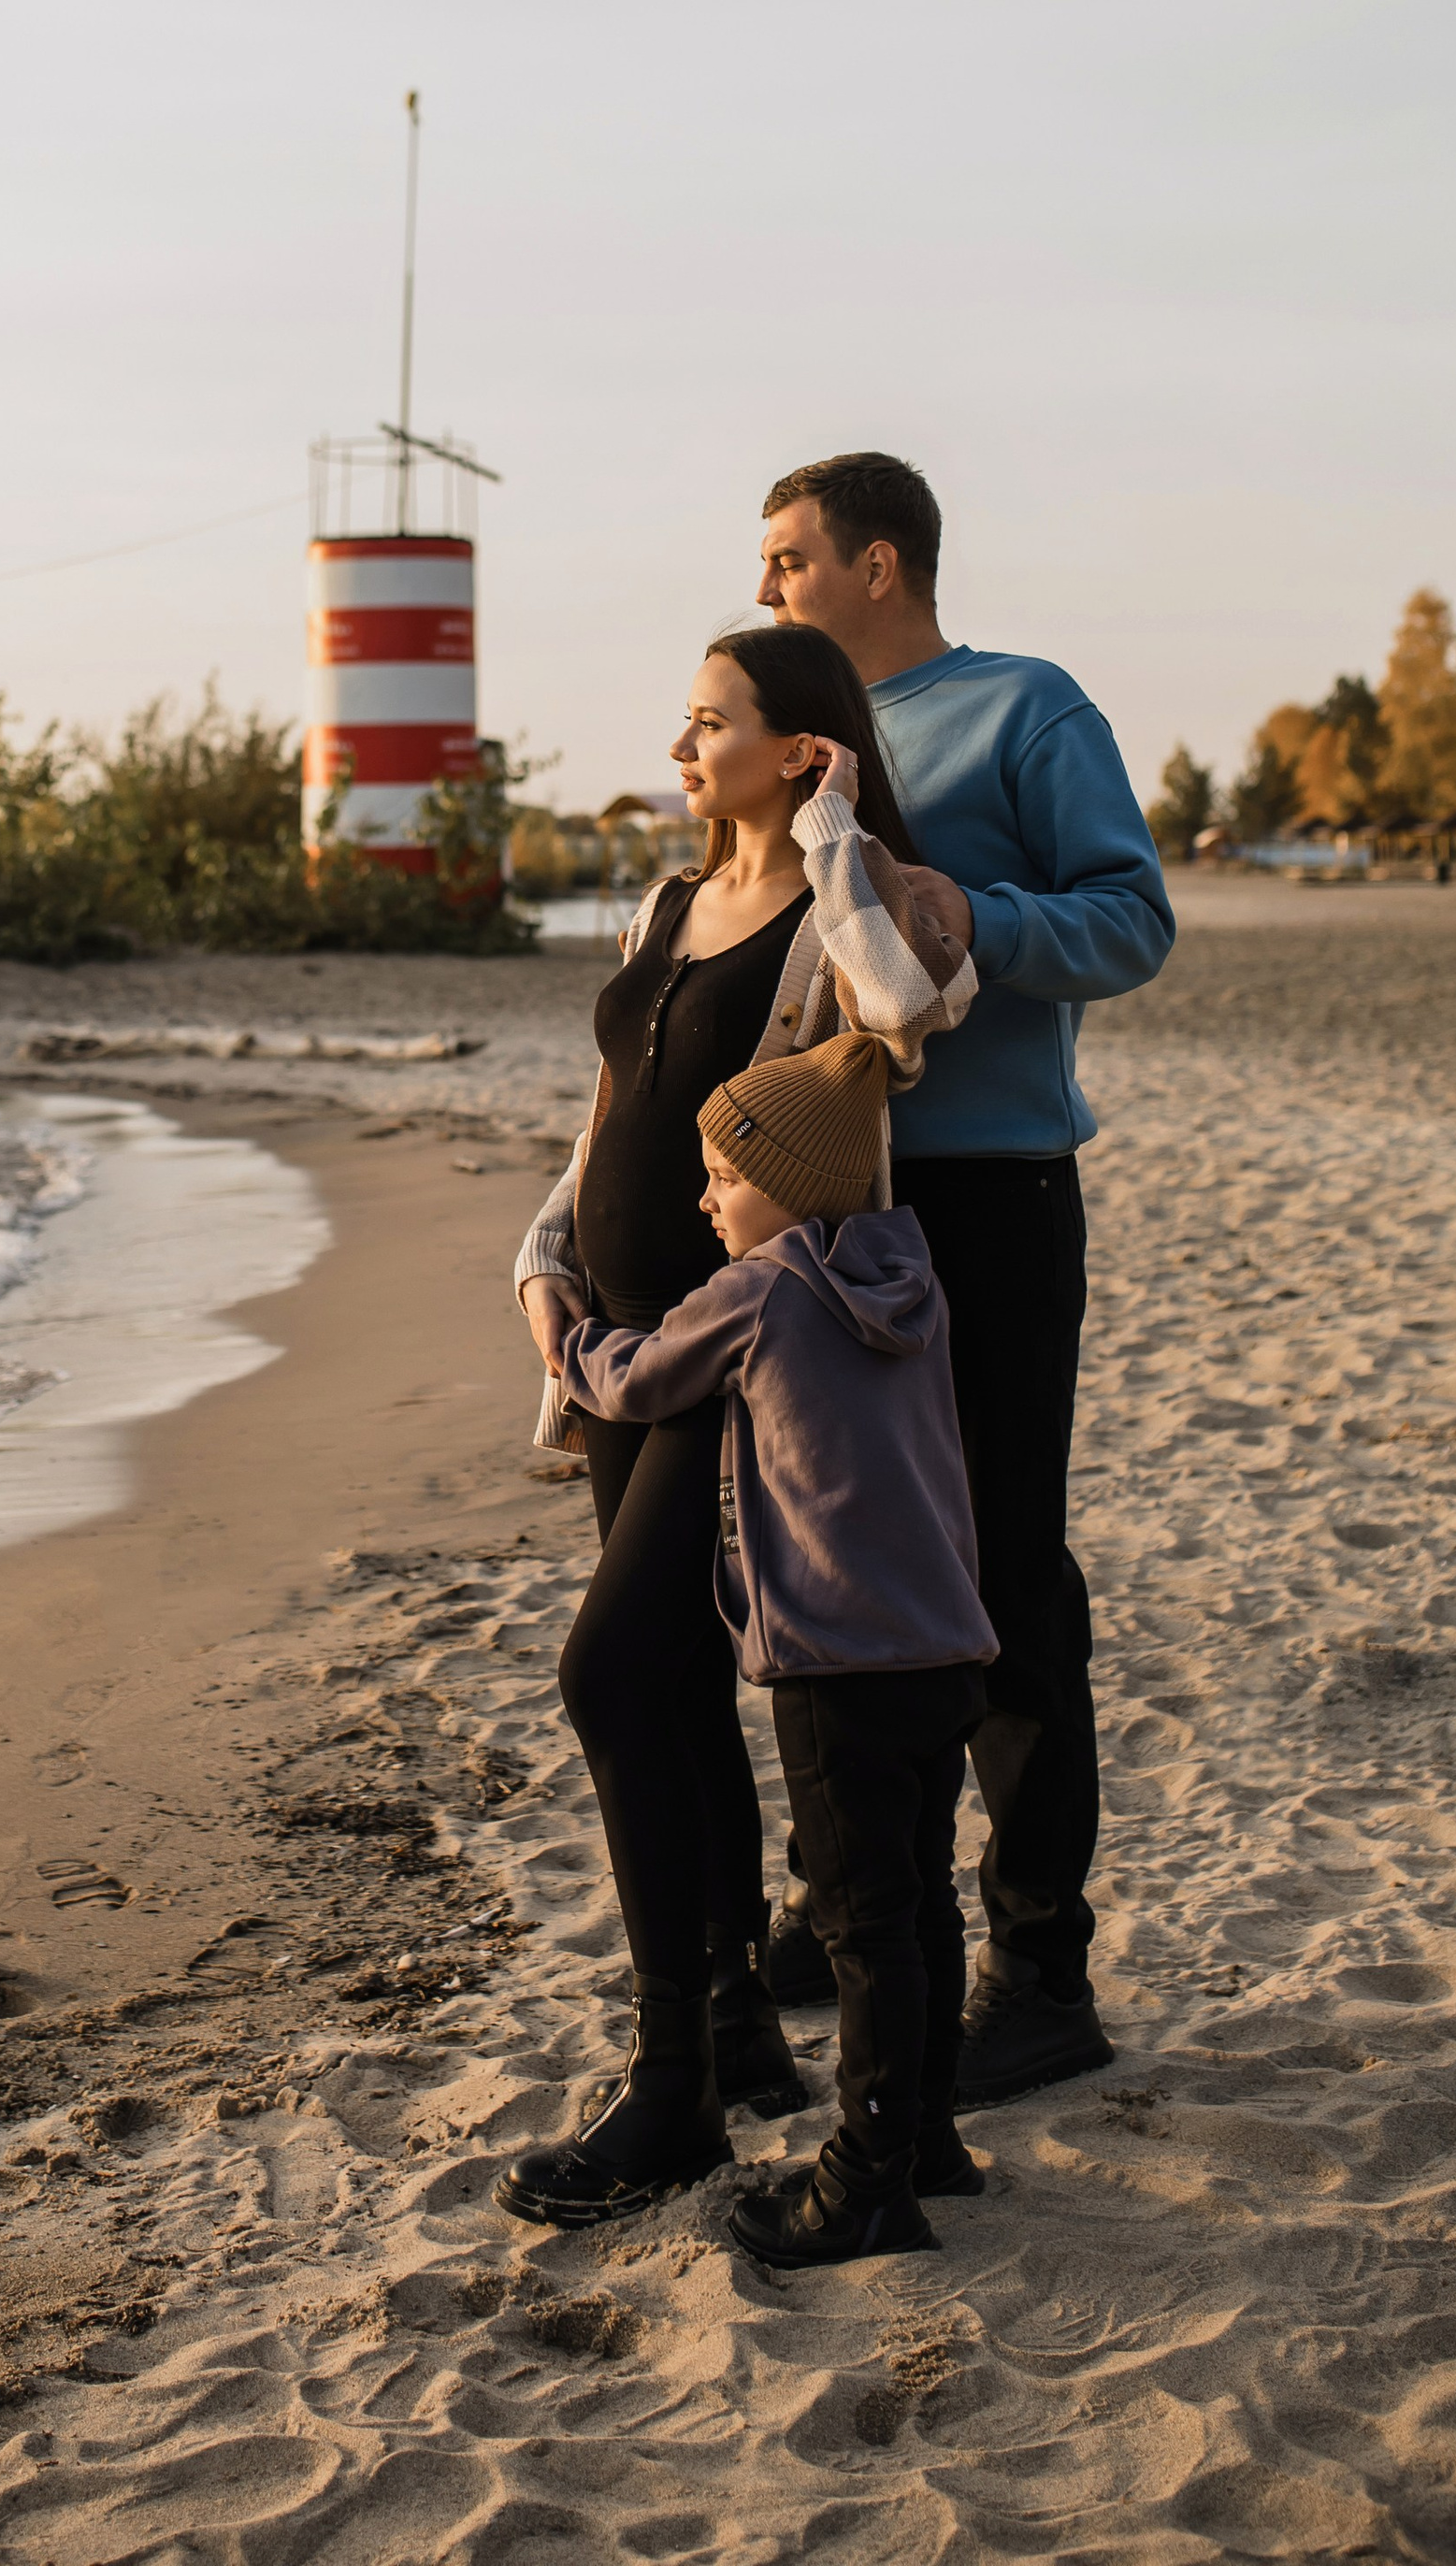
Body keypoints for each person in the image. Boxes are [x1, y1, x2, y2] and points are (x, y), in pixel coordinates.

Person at [503, 622, 973, 2226]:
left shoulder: (866, 906)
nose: (682, 747)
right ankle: (724, 2029)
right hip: (618, 1340)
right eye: (687, 718)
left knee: (609, 1672)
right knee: (673, 1692)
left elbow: (903, 1019)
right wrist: (546, 1256)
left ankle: (672, 2089)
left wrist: (835, 833)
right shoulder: (664, 904)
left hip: (737, 1356)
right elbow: (615, 1114)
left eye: (711, 722)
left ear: (802, 745)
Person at [756, 451, 1174, 2107]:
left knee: (1003, 1578)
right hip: (826, 1210)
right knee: (842, 1571)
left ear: (879, 563)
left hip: (992, 1199)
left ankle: (1042, 1968)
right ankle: (849, 1904)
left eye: (792, 558)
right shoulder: (796, 735)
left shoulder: (1023, 708)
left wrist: (969, 919)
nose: (769, 585)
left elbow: (1132, 923)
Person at [501, 1041, 995, 2262]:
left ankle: (867, 2182)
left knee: (859, 1927)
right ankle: (928, 2139)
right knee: (920, 1900)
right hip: (943, 1644)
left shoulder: (764, 1292)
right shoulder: (911, 1277)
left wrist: (568, 1339)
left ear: (792, 1183)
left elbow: (642, 1378)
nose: (705, 1198)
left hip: (835, 1653)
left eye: (725, 1175)